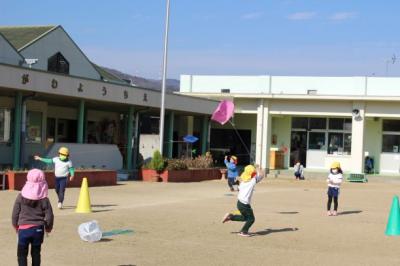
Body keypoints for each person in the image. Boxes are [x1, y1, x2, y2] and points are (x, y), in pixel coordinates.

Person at [12, 169, 54, 266]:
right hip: (38, 230)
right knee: (36, 253)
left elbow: (15, 213)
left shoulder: (21, 196)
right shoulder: (44, 199)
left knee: (21, 254)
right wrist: (48, 227)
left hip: (23, 230)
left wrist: (15, 226)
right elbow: (49, 215)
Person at [221, 165, 265, 237]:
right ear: (252, 174)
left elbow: (240, 185)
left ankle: (230, 217)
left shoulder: (242, 182)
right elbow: (262, 175)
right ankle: (243, 231)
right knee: (251, 219)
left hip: (239, 203)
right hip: (244, 204)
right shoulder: (252, 181)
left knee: (245, 218)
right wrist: (259, 169)